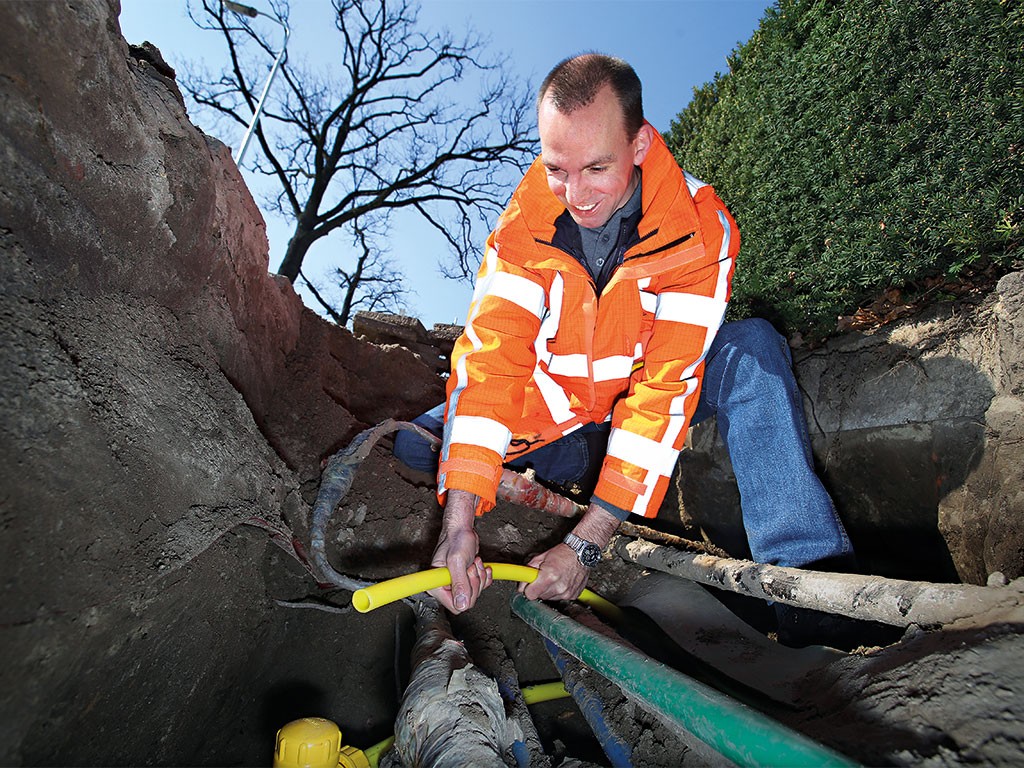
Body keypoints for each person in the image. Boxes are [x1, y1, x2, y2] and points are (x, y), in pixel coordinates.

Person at [394, 54, 854, 623]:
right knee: (421, 444)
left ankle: (809, 593)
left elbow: (665, 388)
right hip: (559, 416)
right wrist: (459, 523)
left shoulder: (698, 228)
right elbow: (493, 362)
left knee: (753, 349)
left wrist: (587, 542)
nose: (575, 195)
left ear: (639, 145)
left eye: (596, 168)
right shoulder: (520, 232)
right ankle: (581, 474)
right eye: (557, 169)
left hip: (638, 405)